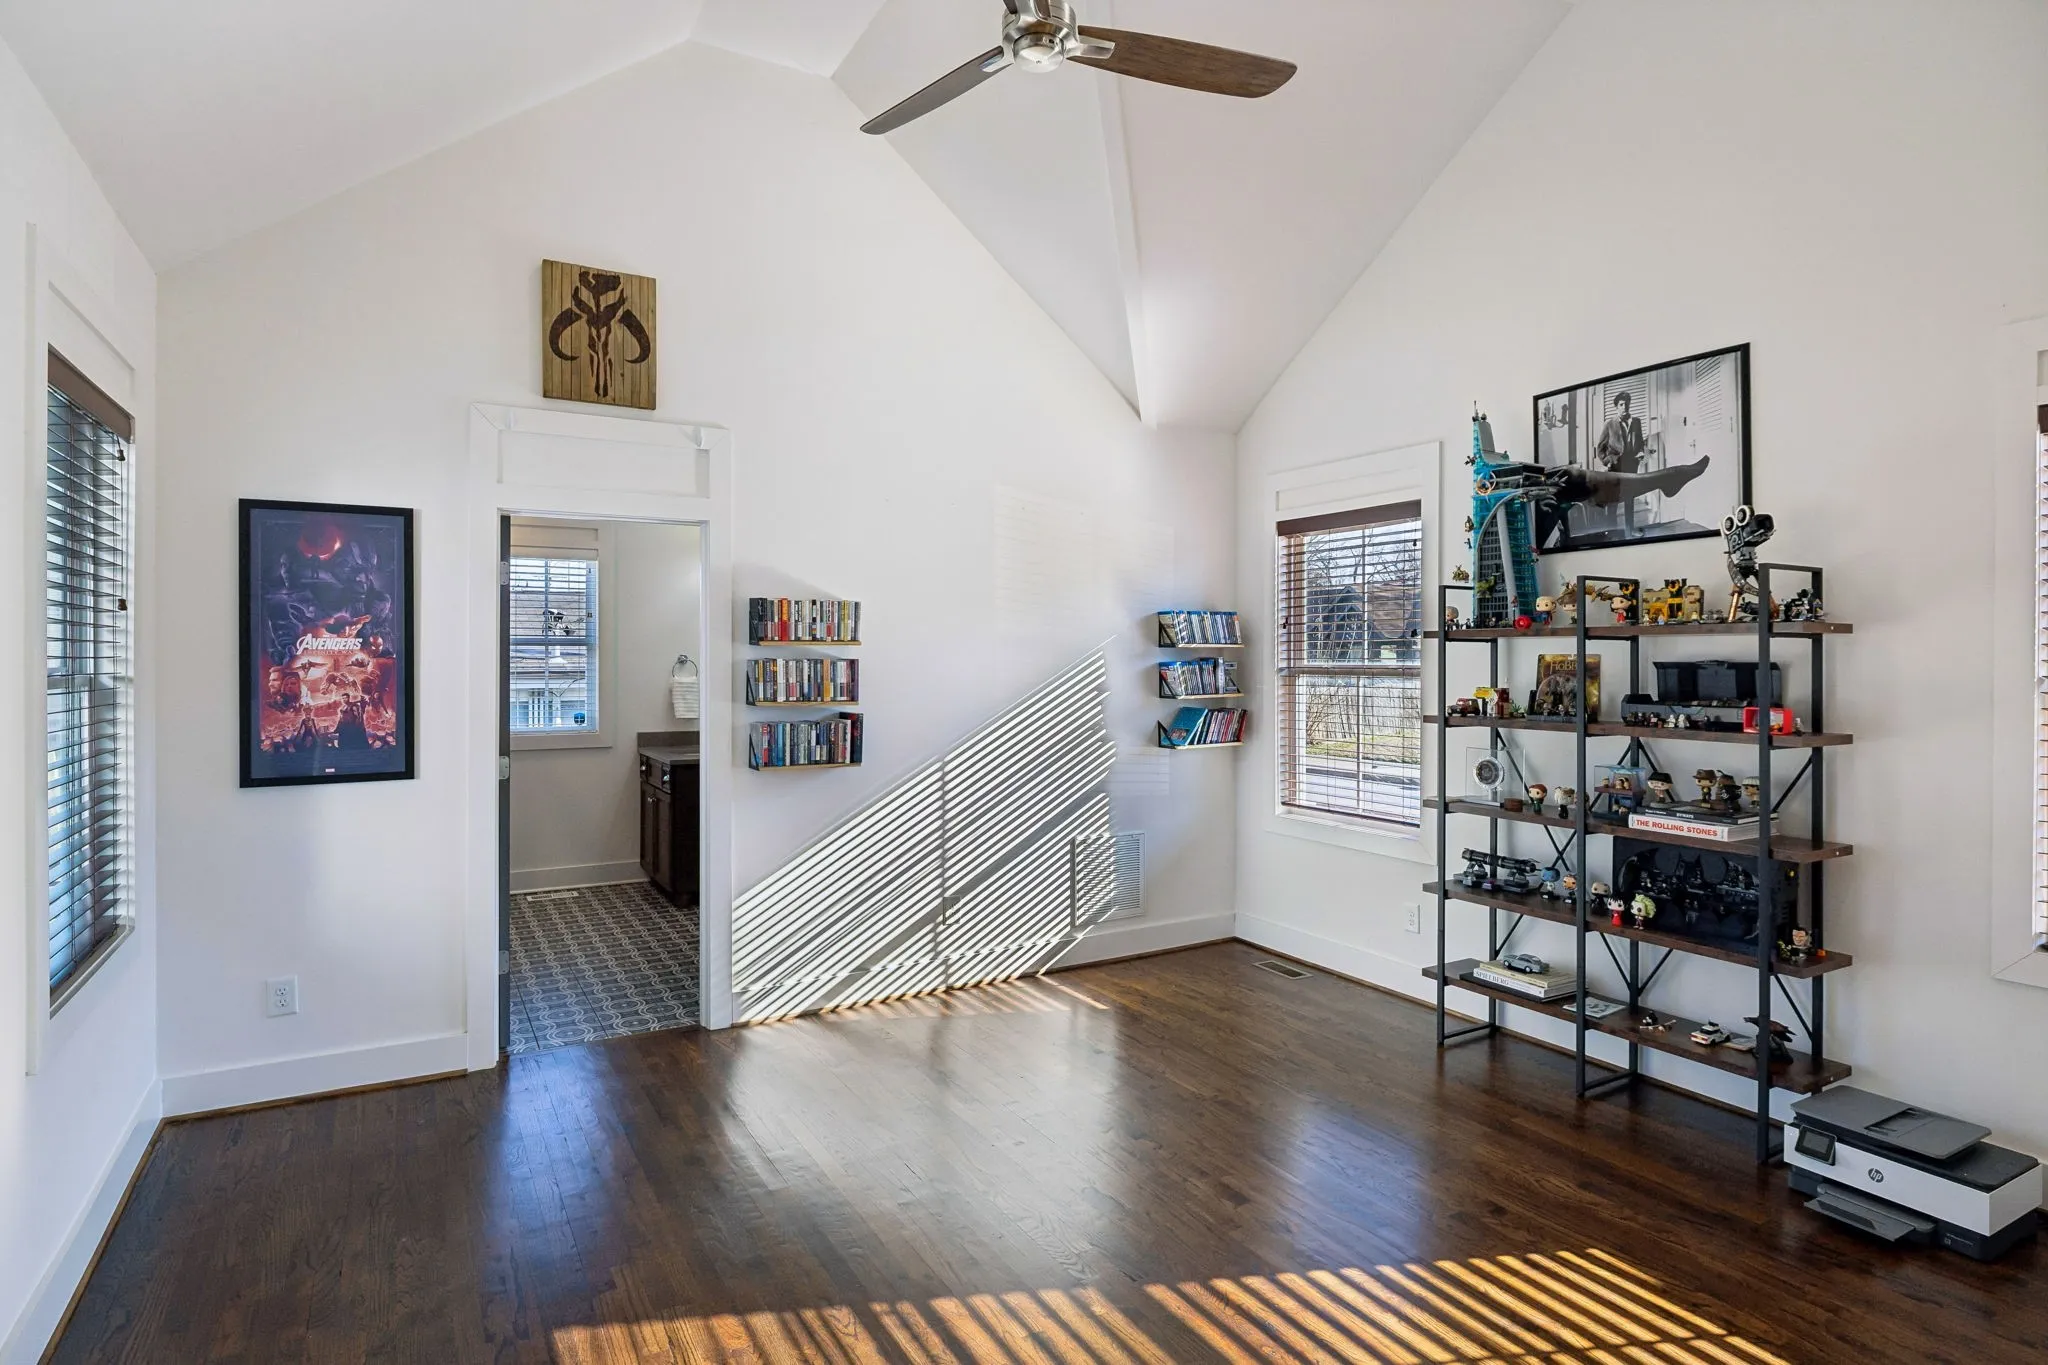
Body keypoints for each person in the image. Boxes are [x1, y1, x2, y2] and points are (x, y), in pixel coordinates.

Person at [1594, 390, 1647, 473]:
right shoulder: (1609, 424)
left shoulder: (1637, 422)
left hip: (1632, 465)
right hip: (1615, 466)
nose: (1624, 407)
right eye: (1621, 405)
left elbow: (1640, 441)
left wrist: (1640, 452)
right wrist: (1607, 461)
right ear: (1617, 407)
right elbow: (1600, 448)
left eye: (1626, 404)